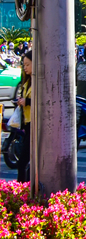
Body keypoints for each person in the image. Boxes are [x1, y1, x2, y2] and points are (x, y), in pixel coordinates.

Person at [13, 51, 31, 182]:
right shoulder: (27, 81)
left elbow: (42, 101)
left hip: (34, 124)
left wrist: (27, 101)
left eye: (28, 64)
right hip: (27, 124)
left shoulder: (38, 81)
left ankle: (21, 190)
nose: (25, 67)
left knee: (23, 162)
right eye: (24, 65)